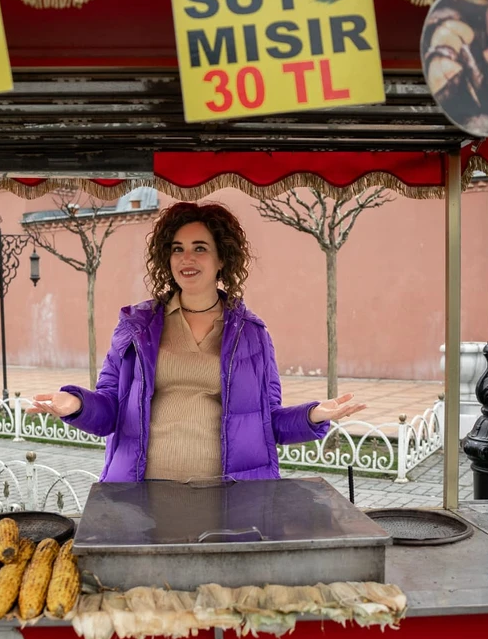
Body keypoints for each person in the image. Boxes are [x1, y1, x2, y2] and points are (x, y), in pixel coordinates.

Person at [27, 202, 365, 482]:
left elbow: (267, 421)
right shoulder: (136, 326)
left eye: (199, 248)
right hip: (142, 494)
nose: (186, 258)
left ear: (222, 259)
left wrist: (314, 415)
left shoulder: (252, 334)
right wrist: (76, 404)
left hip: (228, 496)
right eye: (178, 249)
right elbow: (109, 410)